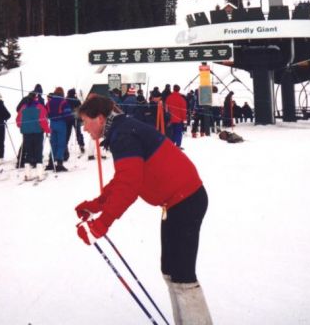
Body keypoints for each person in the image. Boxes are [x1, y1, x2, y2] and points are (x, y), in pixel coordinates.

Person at [75, 95, 213, 325]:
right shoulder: (122, 130)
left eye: (85, 121)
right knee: (171, 272)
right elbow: (124, 179)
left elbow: (129, 186)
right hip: (177, 202)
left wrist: (103, 222)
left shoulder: (124, 134)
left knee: (182, 276)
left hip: (185, 201)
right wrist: (97, 205)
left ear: (99, 118)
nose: (84, 128)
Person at [16, 91, 50, 181]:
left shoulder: (23, 108)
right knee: (38, 152)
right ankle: (39, 174)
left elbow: (18, 121)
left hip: (26, 134)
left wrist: (24, 127)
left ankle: (27, 174)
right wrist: (47, 130)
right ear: (35, 98)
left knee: (28, 153)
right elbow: (43, 120)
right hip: (38, 133)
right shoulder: (40, 107)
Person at [46, 87, 69, 172]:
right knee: (61, 143)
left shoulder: (49, 102)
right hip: (61, 124)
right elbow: (67, 114)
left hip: (52, 124)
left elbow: (46, 113)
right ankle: (59, 163)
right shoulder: (63, 102)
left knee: (53, 143)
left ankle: (50, 163)